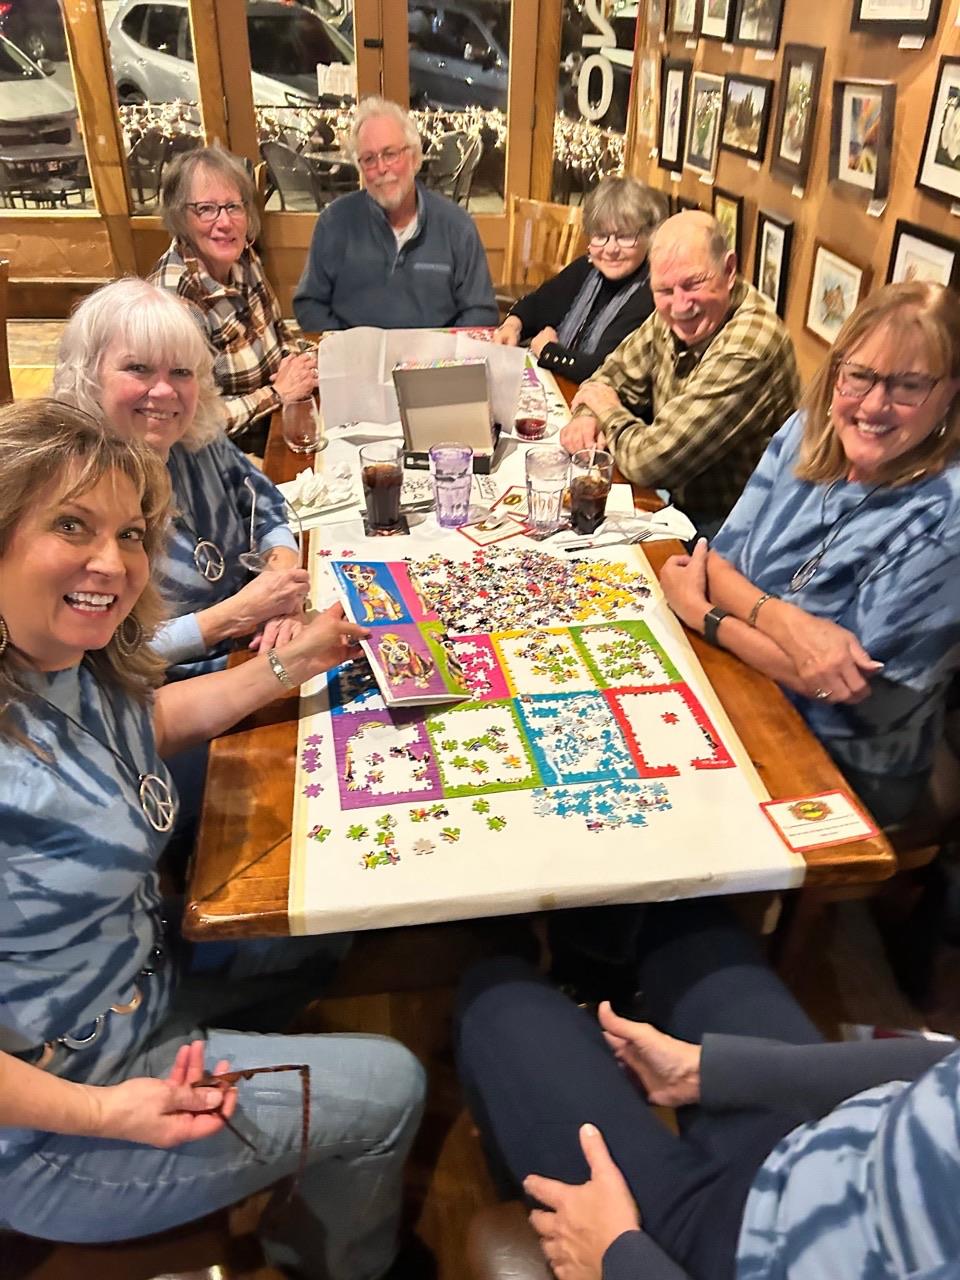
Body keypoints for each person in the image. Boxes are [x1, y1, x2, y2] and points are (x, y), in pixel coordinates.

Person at [0, 400, 424, 1279]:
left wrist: (291, 662)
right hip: (58, 1121)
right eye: (71, 525)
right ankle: (331, 1263)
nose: (112, 561)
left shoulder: (62, 662)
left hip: (147, 989)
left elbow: (145, 724)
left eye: (129, 533)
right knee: (394, 1087)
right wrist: (112, 1114)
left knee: (322, 924)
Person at [457, 898, 960, 1280]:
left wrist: (616, 1256)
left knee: (497, 995)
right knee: (683, 912)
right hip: (825, 1138)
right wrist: (712, 1070)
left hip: (733, 1258)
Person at [660, 281, 960, 829]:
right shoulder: (808, 428)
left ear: (949, 394)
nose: (874, 405)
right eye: (860, 376)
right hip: (742, 681)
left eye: (908, 386)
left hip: (845, 758)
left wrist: (704, 614)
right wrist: (789, 625)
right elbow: (718, 562)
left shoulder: (949, 512)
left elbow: (839, 685)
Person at [53, 278, 308, 681]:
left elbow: (266, 504)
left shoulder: (195, 438)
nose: (164, 391)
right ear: (88, 374)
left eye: (180, 372)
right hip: (169, 690)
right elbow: (97, 654)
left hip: (255, 649)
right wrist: (235, 615)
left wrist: (281, 580)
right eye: (138, 368)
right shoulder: (70, 495)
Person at [559, 210, 799, 533]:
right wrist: (587, 415)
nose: (681, 304)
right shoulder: (674, 311)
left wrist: (604, 409)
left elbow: (650, 462)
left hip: (740, 530)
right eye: (664, 290)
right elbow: (609, 376)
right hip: (682, 507)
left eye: (693, 283)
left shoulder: (751, 343)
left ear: (729, 270)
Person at [149, 143, 317, 454]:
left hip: (273, 424)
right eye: (206, 209)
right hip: (223, 455)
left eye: (233, 207)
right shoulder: (174, 301)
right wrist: (278, 393)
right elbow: (189, 422)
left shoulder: (242, 256)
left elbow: (278, 330)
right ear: (180, 216)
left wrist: (299, 364)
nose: (225, 222)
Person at [293, 96, 498, 332]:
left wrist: (444, 347)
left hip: (434, 354)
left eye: (390, 154)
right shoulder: (333, 223)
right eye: (369, 159)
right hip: (357, 353)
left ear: (414, 157)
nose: (381, 168)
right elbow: (309, 304)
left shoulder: (458, 226)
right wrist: (347, 344)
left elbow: (481, 312)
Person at [492, 177, 661, 382]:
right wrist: (512, 326)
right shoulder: (587, 268)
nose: (611, 249)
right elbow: (536, 305)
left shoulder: (652, 291)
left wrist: (548, 350)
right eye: (601, 236)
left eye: (625, 236)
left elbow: (601, 367)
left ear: (648, 237)